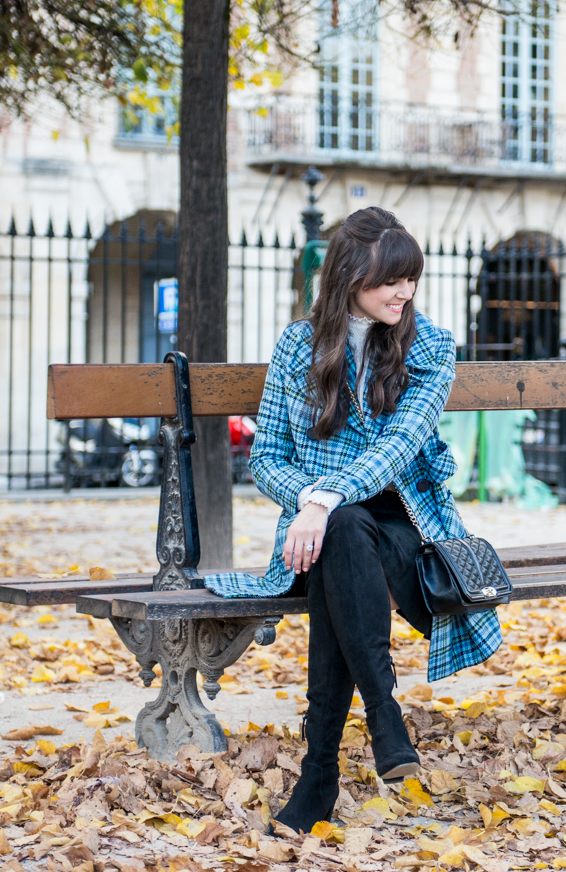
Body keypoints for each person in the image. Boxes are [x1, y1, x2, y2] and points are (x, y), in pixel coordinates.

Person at [204, 206, 502, 833]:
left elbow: (399, 444)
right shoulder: (298, 345)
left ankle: (321, 775)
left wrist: (320, 499)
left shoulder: (431, 347)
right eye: (390, 279)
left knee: (341, 538)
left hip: (407, 529)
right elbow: (266, 460)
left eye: (410, 278)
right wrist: (316, 502)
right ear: (347, 278)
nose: (405, 292)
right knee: (341, 539)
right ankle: (382, 718)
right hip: (330, 534)